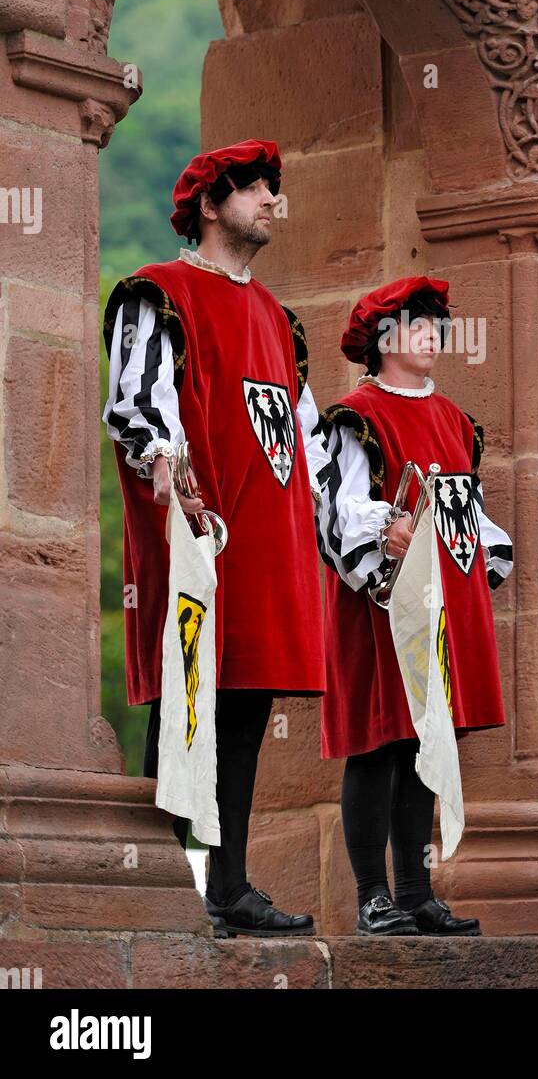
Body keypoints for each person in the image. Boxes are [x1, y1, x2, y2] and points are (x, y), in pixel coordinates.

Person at [102, 138, 327, 938]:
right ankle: (165, 881)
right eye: (258, 188)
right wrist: (167, 464)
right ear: (208, 203)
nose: (272, 200)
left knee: (243, 707)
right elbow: (135, 402)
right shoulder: (158, 295)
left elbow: (301, 443)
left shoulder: (279, 319)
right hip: (197, 534)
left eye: (275, 187)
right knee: (184, 698)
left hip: (267, 549)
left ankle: (228, 885)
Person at [316, 276, 513, 936]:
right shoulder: (356, 414)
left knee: (426, 746)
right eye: (417, 323)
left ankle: (416, 892)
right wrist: (384, 528)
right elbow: (337, 507)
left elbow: (468, 511)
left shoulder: (456, 419)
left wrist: (484, 554)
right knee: (378, 744)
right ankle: (373, 894)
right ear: (382, 339)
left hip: (443, 607)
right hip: (381, 605)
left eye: (436, 324)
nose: (433, 334)